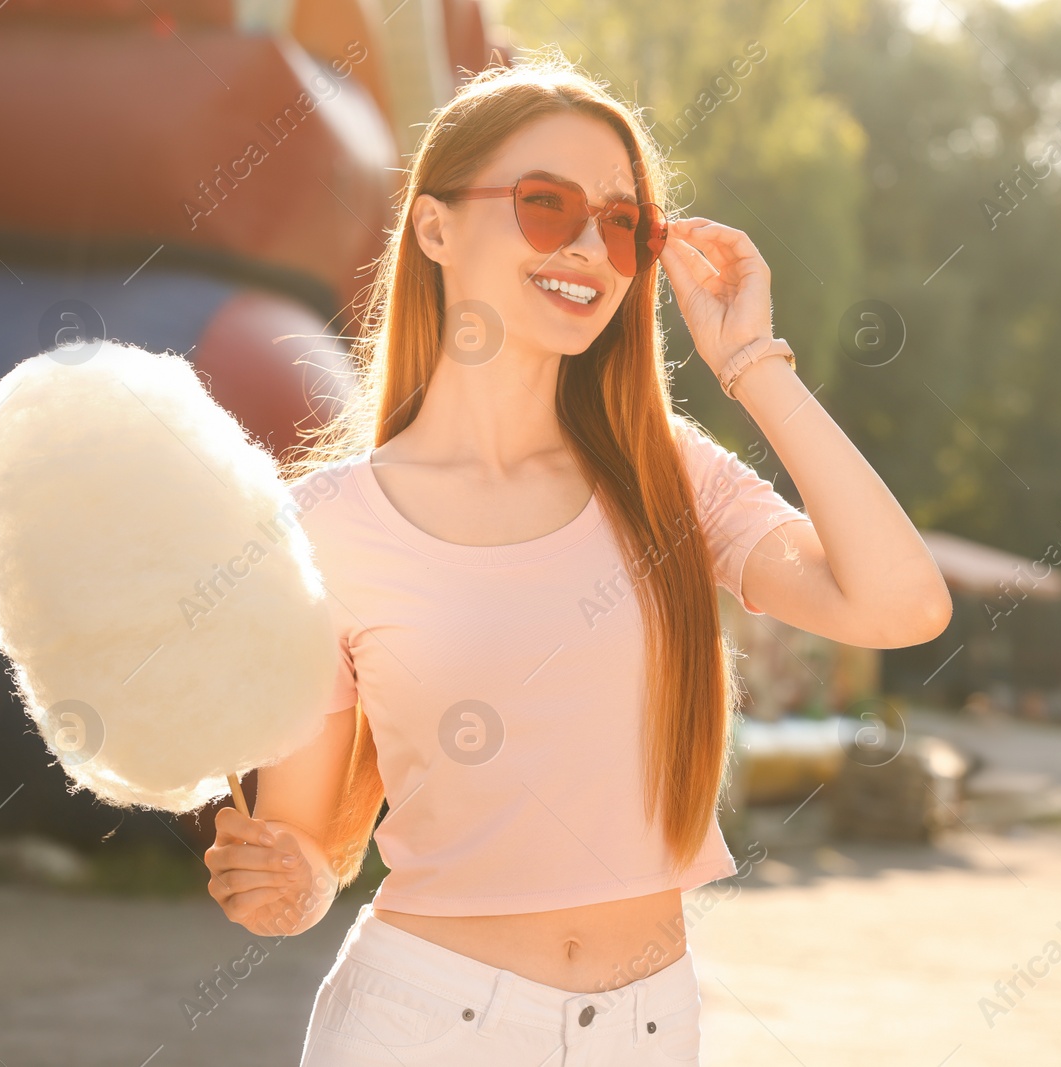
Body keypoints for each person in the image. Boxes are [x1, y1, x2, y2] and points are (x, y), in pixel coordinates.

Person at [202, 49, 951, 1065]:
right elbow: (304, 849)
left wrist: (751, 364)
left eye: (623, 223)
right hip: (420, 1024)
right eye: (546, 204)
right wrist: (282, 887)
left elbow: (900, 605)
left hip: (648, 1027)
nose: (590, 246)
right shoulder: (322, 524)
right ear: (433, 226)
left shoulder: (671, 478)